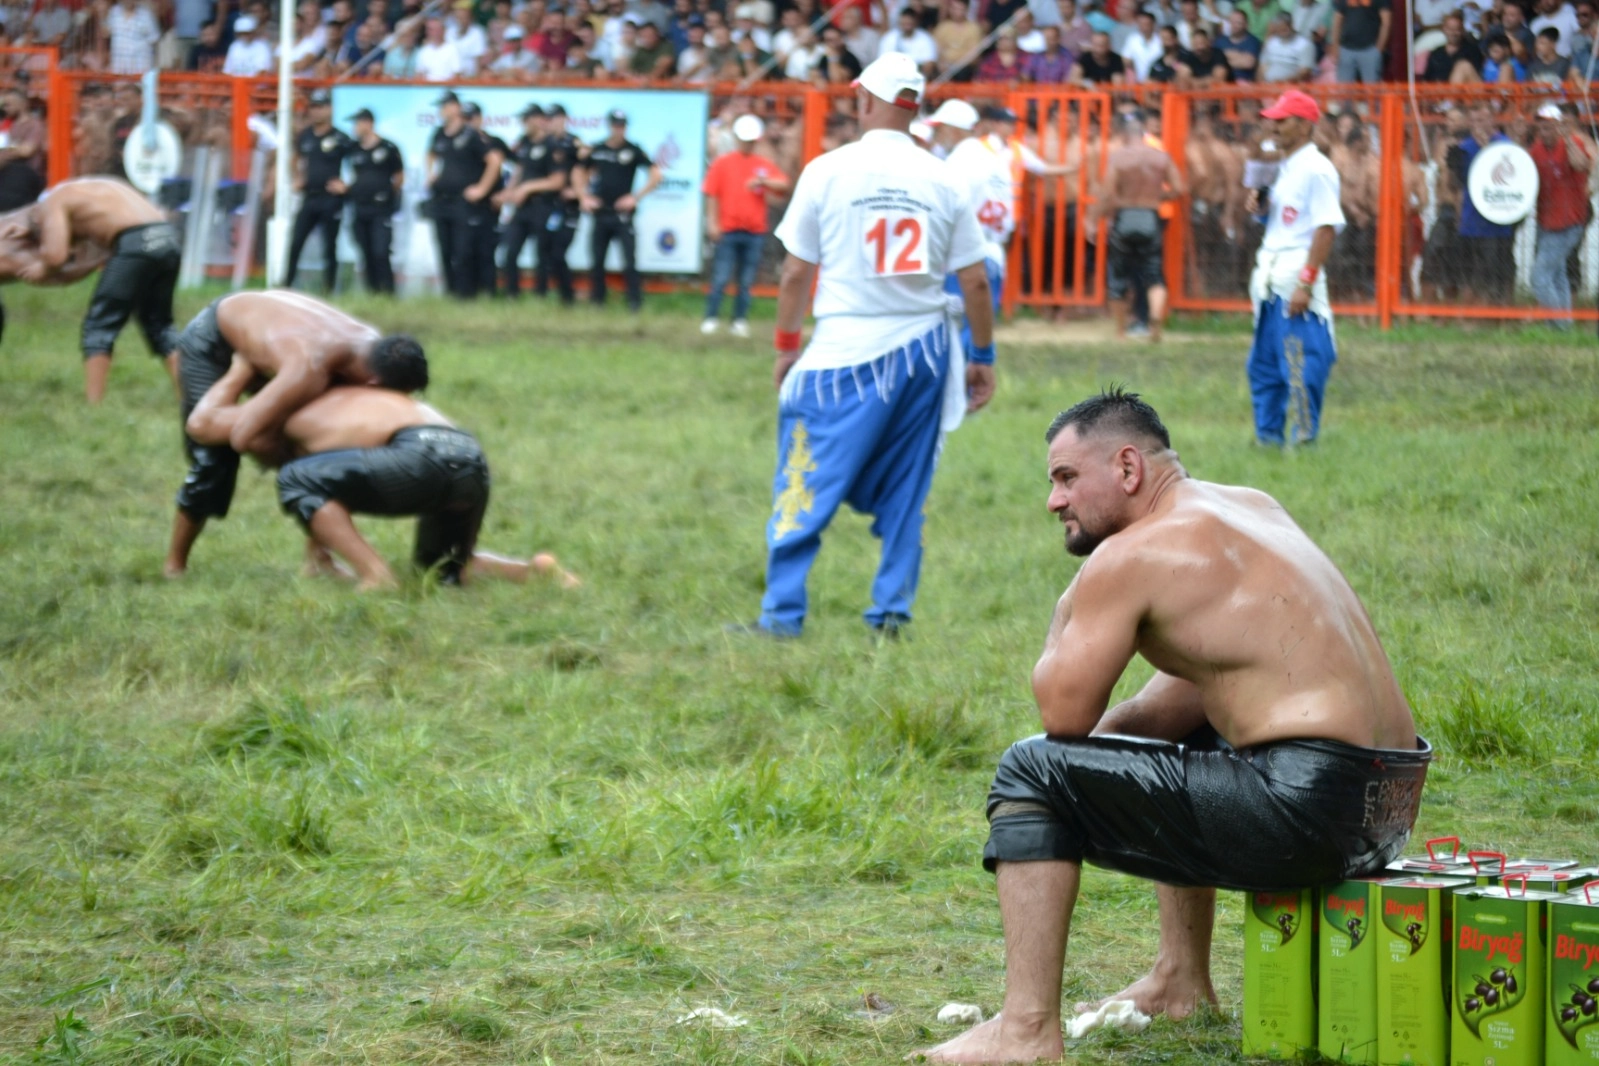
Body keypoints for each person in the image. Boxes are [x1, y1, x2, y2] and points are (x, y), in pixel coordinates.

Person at [918, 387, 1427, 1065]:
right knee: (1170, 741)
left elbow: (1062, 716)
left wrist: (1075, 597)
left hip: (1307, 807)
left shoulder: (1132, 554)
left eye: (1066, 478)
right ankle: (1180, 980)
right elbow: (1177, 704)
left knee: (1027, 770)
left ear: (1127, 468)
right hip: (1387, 805)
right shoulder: (1251, 506)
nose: (1053, 502)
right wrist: (1100, 770)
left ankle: (1025, 1034)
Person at [735, 53, 996, 639]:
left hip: (844, 350)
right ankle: (891, 612)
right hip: (925, 349)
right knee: (908, 483)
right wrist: (983, 356)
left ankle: (781, 614)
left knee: (803, 468)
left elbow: (795, 273)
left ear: (866, 101)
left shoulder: (827, 170)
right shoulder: (944, 177)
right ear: (914, 106)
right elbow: (975, 281)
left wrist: (785, 346)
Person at [186, 358, 580, 591]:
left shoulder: (302, 408)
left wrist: (237, 371)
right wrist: (318, 557)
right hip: (469, 456)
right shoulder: (380, 397)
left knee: (294, 478)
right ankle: (536, 572)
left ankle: (375, 575)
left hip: (420, 455)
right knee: (442, 571)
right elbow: (328, 479)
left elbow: (203, 425)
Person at [163, 291, 428, 578]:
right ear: (374, 384)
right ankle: (174, 566)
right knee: (215, 459)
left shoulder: (374, 350)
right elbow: (239, 436)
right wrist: (287, 457)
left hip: (275, 337)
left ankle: (319, 559)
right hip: (215, 340)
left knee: (327, 455)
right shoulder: (308, 367)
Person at [2, 177, 180, 404]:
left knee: (99, 325)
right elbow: (90, 256)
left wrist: (41, 268)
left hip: (136, 241)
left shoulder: (52, 202)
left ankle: (94, 404)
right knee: (159, 324)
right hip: (167, 238)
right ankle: (189, 397)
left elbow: (56, 256)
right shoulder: (93, 190)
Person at [1244, 90, 1343, 447]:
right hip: (1271, 278)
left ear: (1304, 125)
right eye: (1272, 120)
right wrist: (1260, 209)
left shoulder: (1316, 169)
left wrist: (1307, 281)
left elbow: (1325, 227)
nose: (1273, 127)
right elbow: (1287, 220)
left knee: (1301, 364)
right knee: (1264, 366)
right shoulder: (1285, 167)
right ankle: (1268, 439)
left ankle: (1303, 439)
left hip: (1293, 277)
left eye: (1281, 121)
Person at [1096, 110, 1184, 340]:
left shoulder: (1118, 158)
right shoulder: (1160, 157)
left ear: (1125, 135)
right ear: (1144, 134)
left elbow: (1107, 193)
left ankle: (1120, 330)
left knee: (1118, 275)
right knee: (1154, 273)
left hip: (1125, 216)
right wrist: (1157, 197)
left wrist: (1094, 217)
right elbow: (1179, 188)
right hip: (1150, 215)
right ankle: (1155, 320)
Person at [701, 115, 790, 337]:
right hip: (728, 229)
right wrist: (713, 223)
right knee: (720, 277)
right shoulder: (723, 163)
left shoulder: (762, 165)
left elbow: (783, 184)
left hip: (754, 231)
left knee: (746, 280)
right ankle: (711, 317)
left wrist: (763, 182)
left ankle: (739, 320)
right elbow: (712, 194)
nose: (747, 145)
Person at [578, 110, 661, 312]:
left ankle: (634, 302)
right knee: (597, 260)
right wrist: (584, 196)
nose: (619, 129)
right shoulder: (597, 149)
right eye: (616, 125)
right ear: (609, 126)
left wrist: (635, 197)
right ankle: (597, 301)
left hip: (623, 215)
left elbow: (656, 175)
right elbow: (578, 171)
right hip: (601, 212)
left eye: (622, 125)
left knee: (629, 261)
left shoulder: (633, 150)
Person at [426, 91, 503, 299]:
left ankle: (466, 295)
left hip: (463, 202)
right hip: (441, 200)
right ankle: (450, 293)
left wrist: (482, 189)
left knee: (463, 251)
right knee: (445, 249)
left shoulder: (471, 135)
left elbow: (495, 161)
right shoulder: (439, 133)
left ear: (455, 107)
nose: (441, 111)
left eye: (445, 106)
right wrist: (431, 173)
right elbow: (430, 154)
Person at [1529, 103, 1593, 328]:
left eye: (1549, 127)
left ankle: (1559, 326)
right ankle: (1564, 322)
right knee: (1557, 275)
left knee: (1539, 277)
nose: (1544, 132)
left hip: (1569, 222)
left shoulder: (1572, 143)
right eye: (1541, 127)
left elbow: (1581, 164)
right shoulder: (1536, 149)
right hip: (1546, 221)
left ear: (1559, 127)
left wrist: (1567, 140)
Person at [285, 89, 353, 294]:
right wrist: (297, 177)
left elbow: (356, 163)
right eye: (313, 107)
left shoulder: (340, 138)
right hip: (309, 196)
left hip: (330, 198)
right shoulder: (305, 136)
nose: (316, 111)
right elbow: (295, 158)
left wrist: (347, 185)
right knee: (296, 242)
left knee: (329, 245)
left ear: (330, 109)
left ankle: (329, 288)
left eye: (321, 107)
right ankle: (286, 284)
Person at [1448, 104, 1514, 303]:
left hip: (1498, 223)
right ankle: (1472, 312)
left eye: (1483, 120)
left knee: (1497, 274)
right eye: (1474, 120)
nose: (1478, 125)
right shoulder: (1464, 148)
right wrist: (1452, 166)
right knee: (1470, 274)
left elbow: (1508, 179)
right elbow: (1454, 185)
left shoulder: (1505, 145)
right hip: (1471, 220)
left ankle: (1499, 312)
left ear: (1492, 120)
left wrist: (1487, 151)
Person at [345, 109, 403, 296]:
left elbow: (399, 176)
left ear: (368, 123)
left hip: (381, 208)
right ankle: (372, 293)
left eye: (357, 123)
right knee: (366, 252)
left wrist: (388, 194)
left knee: (381, 251)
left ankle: (387, 292)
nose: (355, 128)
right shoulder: (353, 149)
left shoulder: (388, 148)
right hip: (360, 207)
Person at [463, 101, 511, 298]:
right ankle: (469, 292)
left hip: (489, 204)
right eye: (465, 118)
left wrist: (505, 192)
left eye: (471, 118)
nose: (469, 122)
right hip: (465, 204)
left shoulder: (494, 142)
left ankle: (489, 291)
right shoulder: (461, 141)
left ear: (480, 118)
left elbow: (516, 165)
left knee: (486, 249)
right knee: (466, 250)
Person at [0, 86, 44, 212]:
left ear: (22, 104)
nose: (4, 108)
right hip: (4, 174)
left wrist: (5, 154)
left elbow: (26, 150)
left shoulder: (34, 124)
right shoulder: (5, 124)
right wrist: (14, 149)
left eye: (8, 105)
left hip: (25, 175)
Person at [1330, 0, 1390, 81]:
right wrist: (1335, 47)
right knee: (1344, 87)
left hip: (1370, 49)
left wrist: (1378, 49)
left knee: (1371, 87)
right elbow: (1337, 21)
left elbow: (1386, 23)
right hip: (1346, 50)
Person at [1258, 11, 1317, 80]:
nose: (1282, 30)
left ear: (1291, 25)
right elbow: (1262, 66)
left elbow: (1304, 72)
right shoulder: (1271, 42)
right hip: (1268, 84)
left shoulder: (1305, 45)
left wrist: (1283, 82)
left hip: (1291, 84)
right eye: (1279, 27)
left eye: (1284, 27)